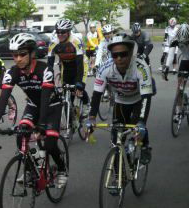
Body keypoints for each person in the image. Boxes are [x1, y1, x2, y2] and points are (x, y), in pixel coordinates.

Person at [0, 33, 68, 188]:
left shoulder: (44, 70)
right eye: (15, 55)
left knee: (50, 144)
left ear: (32, 54)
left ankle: (61, 168)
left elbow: (45, 100)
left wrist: (42, 125)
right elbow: (3, 99)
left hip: (51, 106)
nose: (18, 59)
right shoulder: (12, 73)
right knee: (21, 135)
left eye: (22, 54)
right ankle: (29, 170)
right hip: (33, 105)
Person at [86, 33, 153, 164]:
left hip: (138, 100)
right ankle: (119, 176)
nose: (119, 58)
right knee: (117, 141)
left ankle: (145, 146)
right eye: (115, 55)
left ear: (131, 52)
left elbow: (146, 96)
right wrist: (92, 117)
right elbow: (97, 94)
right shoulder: (105, 68)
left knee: (137, 128)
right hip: (120, 101)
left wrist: (141, 121)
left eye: (123, 54)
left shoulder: (141, 67)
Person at [46, 18, 90, 117]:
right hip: (66, 66)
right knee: (66, 90)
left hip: (80, 63)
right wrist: (50, 83)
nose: (60, 34)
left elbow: (80, 64)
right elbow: (49, 65)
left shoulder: (75, 41)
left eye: (63, 32)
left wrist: (79, 82)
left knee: (78, 88)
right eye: (58, 32)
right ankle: (70, 117)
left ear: (69, 31)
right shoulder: (53, 42)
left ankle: (87, 104)